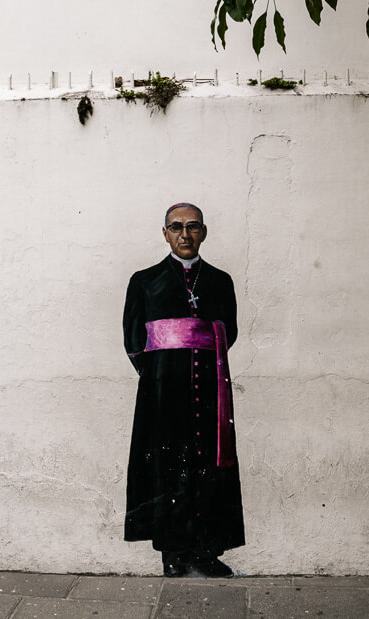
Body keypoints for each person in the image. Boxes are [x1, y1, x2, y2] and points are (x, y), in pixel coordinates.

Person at [122, 203, 245, 577]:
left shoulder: (220, 280)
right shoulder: (144, 280)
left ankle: (206, 552)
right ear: (165, 234)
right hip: (163, 393)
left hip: (210, 390)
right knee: (167, 467)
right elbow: (133, 340)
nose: (185, 234)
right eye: (176, 227)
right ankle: (172, 553)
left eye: (193, 227)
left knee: (209, 466)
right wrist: (162, 374)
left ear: (204, 232)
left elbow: (230, 331)